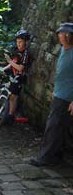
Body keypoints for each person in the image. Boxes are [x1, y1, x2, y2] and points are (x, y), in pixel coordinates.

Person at [30, 23, 73, 166]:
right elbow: (62, 72)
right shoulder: (63, 50)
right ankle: (57, 155)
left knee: (53, 126)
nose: (60, 36)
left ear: (69, 36)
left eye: (63, 34)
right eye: (60, 33)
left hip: (67, 97)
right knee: (60, 127)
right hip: (60, 93)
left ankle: (45, 157)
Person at [1, 30, 31, 124]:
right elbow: (13, 63)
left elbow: (20, 68)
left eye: (20, 42)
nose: (18, 44)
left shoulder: (26, 53)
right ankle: (8, 113)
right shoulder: (18, 52)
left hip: (19, 77)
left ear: (25, 42)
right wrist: (3, 68)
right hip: (13, 75)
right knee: (10, 96)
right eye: (17, 42)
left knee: (14, 97)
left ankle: (10, 116)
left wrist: (9, 61)